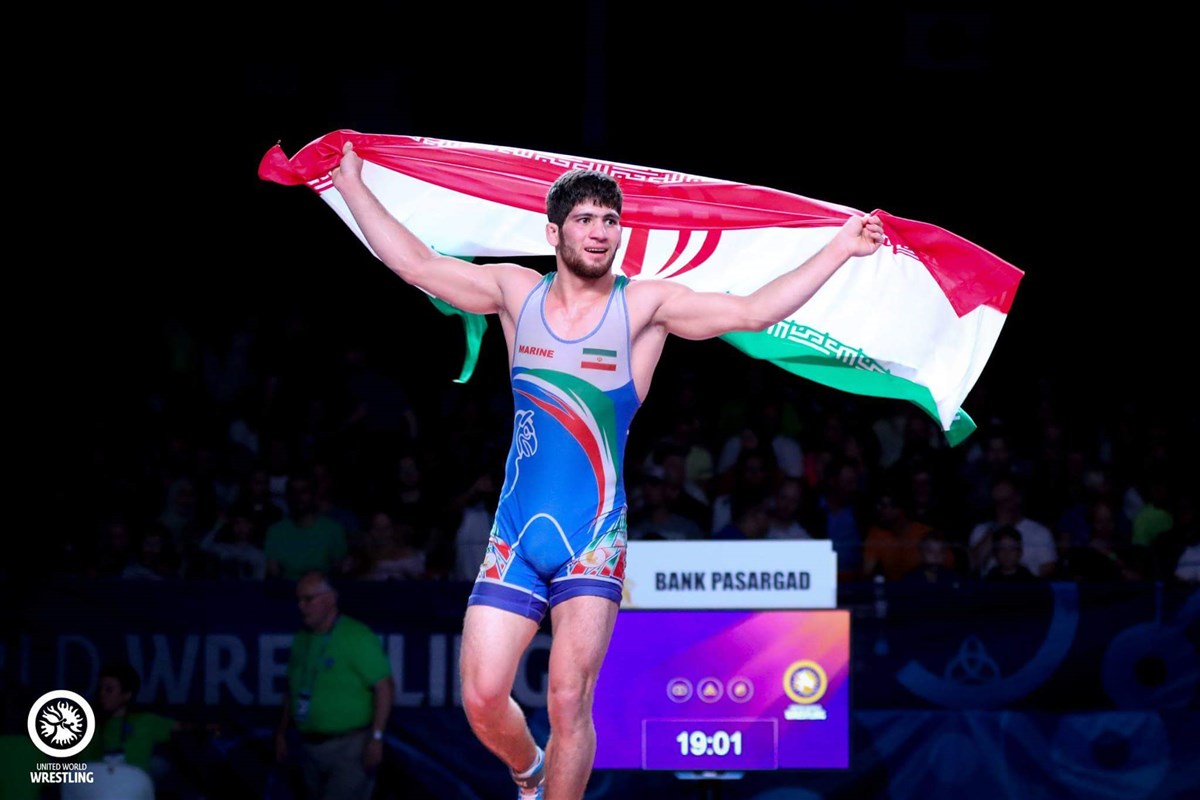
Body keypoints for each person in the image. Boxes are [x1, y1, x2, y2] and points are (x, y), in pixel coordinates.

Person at [325, 141, 884, 799]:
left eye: (610, 220)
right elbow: (416, 264)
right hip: (514, 537)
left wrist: (839, 248)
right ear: (553, 232)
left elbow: (752, 313)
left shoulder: (644, 307)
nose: (599, 232)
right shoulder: (515, 292)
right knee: (480, 696)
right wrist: (351, 184)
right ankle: (529, 771)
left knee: (569, 700)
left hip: (592, 541)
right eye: (585, 219)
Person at [275, 570, 394, 800]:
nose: (301, 606)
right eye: (299, 599)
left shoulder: (356, 635)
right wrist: (281, 732)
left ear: (330, 598)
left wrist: (377, 738)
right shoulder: (302, 638)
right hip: (307, 747)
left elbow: (384, 687)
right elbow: (292, 689)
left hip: (349, 747)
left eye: (308, 599)